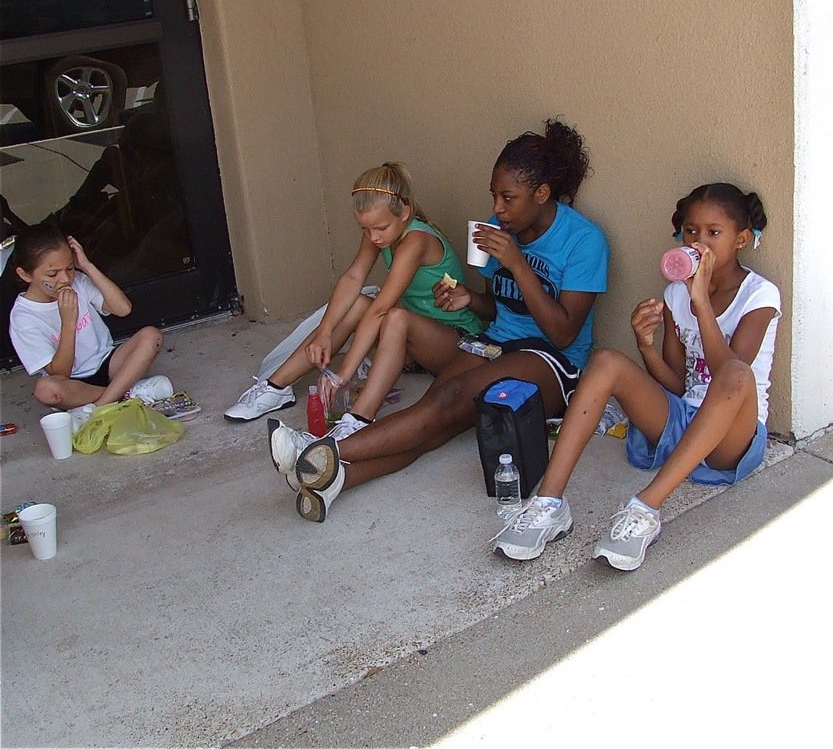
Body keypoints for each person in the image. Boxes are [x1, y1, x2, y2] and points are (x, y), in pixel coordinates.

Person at [268, 118, 609, 522]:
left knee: (449, 401)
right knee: (436, 417)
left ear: (542, 193)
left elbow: (563, 331)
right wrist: (469, 299)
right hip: (497, 342)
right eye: (494, 196)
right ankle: (338, 478)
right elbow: (501, 306)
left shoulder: (585, 241)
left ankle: (319, 452)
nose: (497, 209)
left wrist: (517, 264)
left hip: (552, 361)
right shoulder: (502, 227)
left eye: (508, 197)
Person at [493, 182, 780, 571]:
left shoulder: (759, 295)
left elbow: (729, 373)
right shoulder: (677, 294)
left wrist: (701, 303)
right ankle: (549, 503)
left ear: (742, 238)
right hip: (684, 419)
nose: (699, 242)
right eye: (692, 231)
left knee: (736, 374)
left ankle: (645, 509)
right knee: (607, 360)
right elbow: (678, 385)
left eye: (714, 233)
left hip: (733, 434)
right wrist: (645, 344)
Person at [224, 162, 482, 431]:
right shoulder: (380, 233)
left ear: (405, 212)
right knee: (359, 303)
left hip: (456, 344)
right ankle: (276, 387)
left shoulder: (416, 240)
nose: (374, 237)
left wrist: (343, 374)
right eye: (365, 229)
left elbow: (381, 310)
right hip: (414, 344)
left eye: (380, 228)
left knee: (394, 315)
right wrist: (325, 330)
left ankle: (359, 418)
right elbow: (353, 278)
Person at [8, 222, 172, 428]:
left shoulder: (79, 281)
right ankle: (128, 392)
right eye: (52, 274)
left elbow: (123, 309)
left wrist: (86, 266)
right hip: (75, 384)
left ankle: (98, 408)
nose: (65, 279)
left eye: (69, 268)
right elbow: (60, 374)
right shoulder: (23, 317)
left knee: (151, 336)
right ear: (25, 275)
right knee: (45, 389)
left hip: (107, 363)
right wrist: (69, 322)